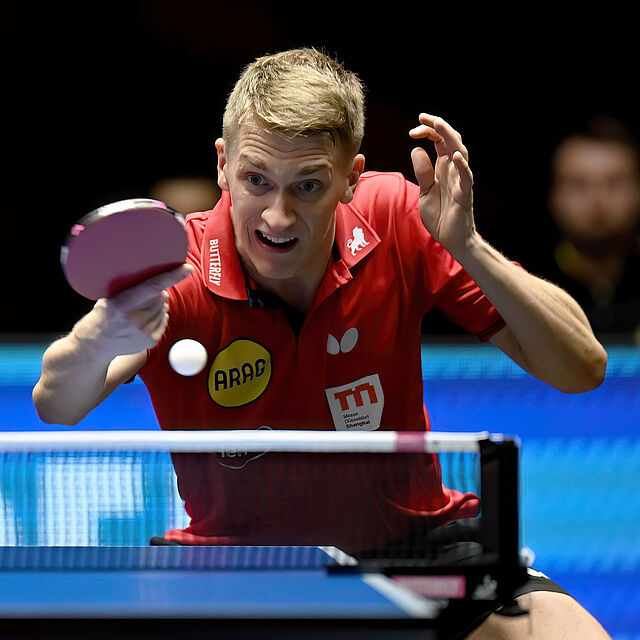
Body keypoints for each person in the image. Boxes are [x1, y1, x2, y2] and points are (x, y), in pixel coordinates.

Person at [33, 48, 609, 639]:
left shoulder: (400, 216)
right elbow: (57, 403)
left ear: (351, 177)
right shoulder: (181, 271)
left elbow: (582, 368)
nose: (278, 216)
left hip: (415, 551)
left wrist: (467, 245)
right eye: (257, 181)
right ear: (224, 164)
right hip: (235, 570)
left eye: (307, 186)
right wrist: (99, 336)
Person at [543, 116, 640, 341]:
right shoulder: (523, 284)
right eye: (578, 185)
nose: (598, 201)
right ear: (553, 196)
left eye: (614, 184)